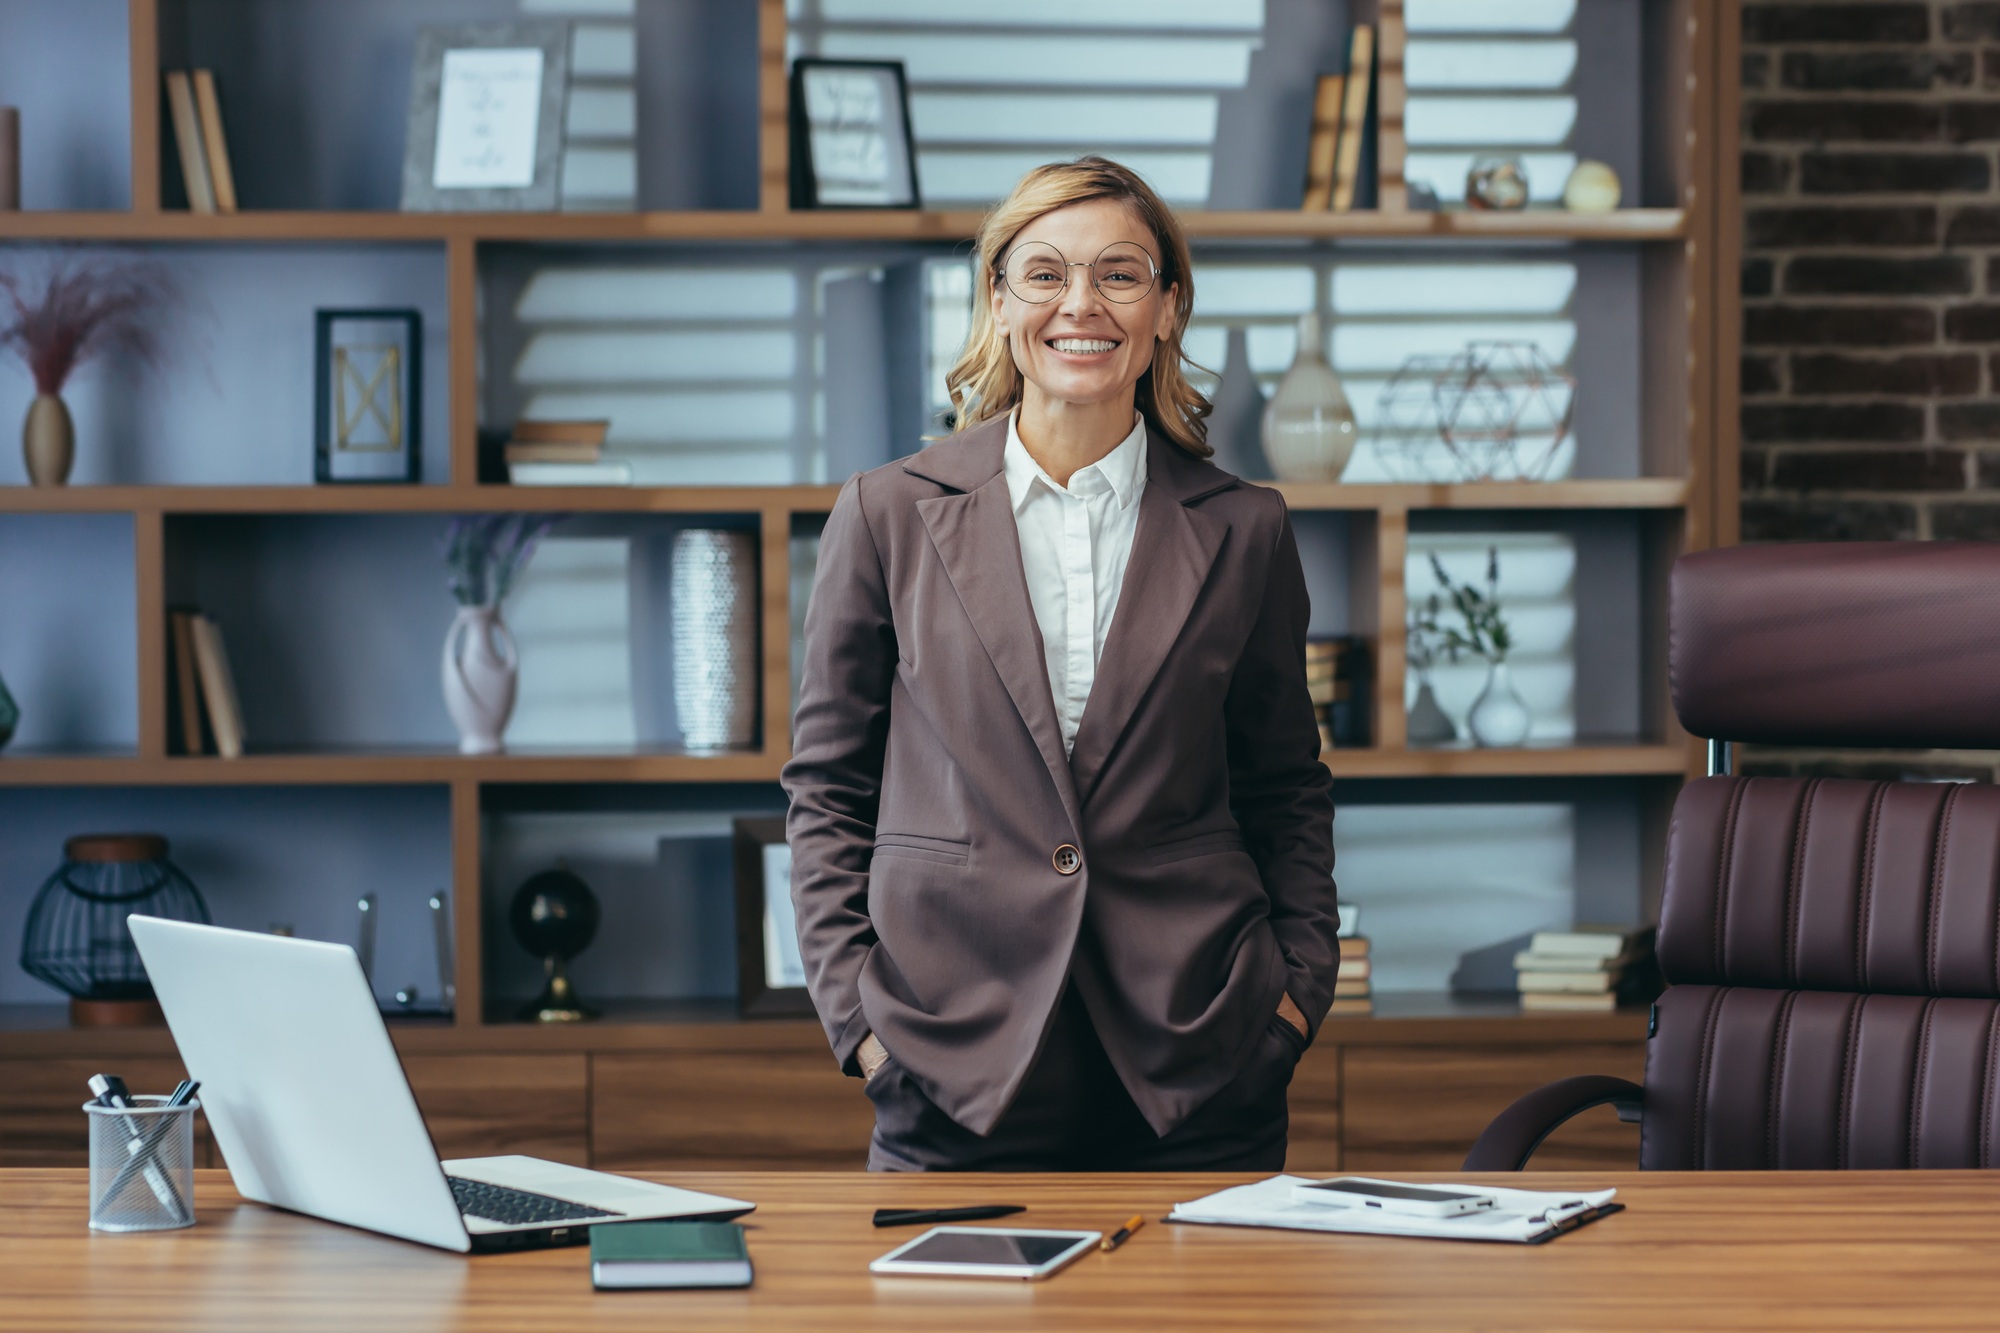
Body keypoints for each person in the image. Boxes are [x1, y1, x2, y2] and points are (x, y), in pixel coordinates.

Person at [782, 156, 1338, 1172]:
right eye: (1043, 274)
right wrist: (861, 1023)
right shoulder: (885, 513)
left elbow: (1283, 783)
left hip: (1201, 1054)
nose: (1080, 304)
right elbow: (827, 790)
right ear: (997, 303)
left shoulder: (1244, 528)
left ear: (1166, 308)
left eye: (1119, 274)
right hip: (951, 1053)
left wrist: (1294, 998)